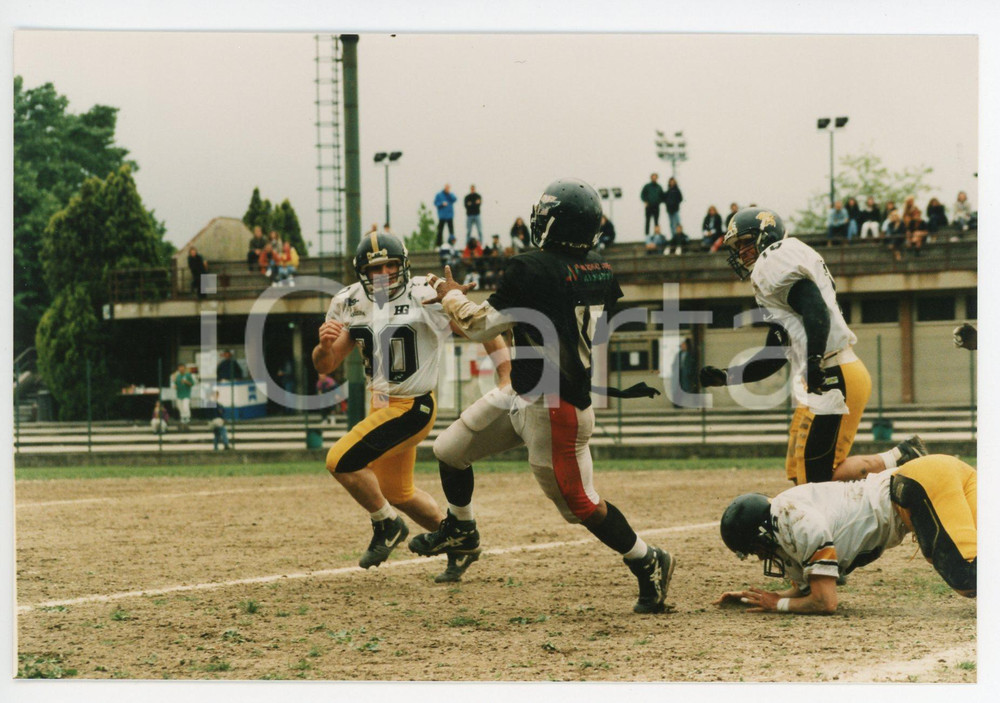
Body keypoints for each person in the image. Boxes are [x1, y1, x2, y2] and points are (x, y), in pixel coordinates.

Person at [409, 178, 676, 615]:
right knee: (450, 449)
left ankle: (648, 560)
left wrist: (450, 296)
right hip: (526, 391)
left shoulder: (532, 269)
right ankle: (462, 530)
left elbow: (477, 326)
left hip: (555, 409)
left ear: (553, 222)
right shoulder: (599, 269)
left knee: (581, 507)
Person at [311, 231, 501, 580]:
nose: (383, 274)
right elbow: (326, 364)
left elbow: (480, 325)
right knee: (397, 491)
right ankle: (462, 541)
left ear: (403, 265)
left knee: (339, 460)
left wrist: (505, 373)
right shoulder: (349, 301)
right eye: (375, 268)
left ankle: (386, 525)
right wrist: (323, 348)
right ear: (362, 273)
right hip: (380, 402)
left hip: (413, 406)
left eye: (390, 265)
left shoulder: (424, 294)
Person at [700, 207, 927, 485]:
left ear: (766, 235)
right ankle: (901, 457)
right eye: (739, 246)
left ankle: (902, 461)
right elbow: (775, 353)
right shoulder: (779, 271)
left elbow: (814, 306)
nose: (742, 251)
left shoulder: (774, 258)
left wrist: (815, 360)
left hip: (833, 371)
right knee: (800, 474)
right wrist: (728, 375)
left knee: (815, 483)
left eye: (747, 242)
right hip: (829, 372)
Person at [714, 454, 976, 614]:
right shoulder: (786, 513)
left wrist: (777, 605)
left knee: (965, 577)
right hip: (934, 474)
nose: (761, 557)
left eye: (756, 549)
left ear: (762, 533)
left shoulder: (795, 521)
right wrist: (758, 599)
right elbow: (808, 591)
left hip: (919, 483)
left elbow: (824, 602)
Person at [171, 363, 195, 431]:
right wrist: (174, 384)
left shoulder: (188, 375)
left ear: (184, 368)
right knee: (180, 407)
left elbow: (192, 384)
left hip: (186, 394)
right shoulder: (177, 376)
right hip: (179, 395)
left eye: (182, 367)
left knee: (185, 406)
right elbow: (175, 385)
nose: (181, 369)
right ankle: (183, 419)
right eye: (179, 367)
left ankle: (187, 418)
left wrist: (186, 382)